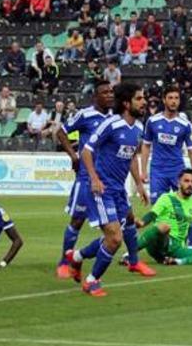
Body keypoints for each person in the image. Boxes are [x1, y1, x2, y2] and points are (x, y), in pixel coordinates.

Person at [64, 83, 149, 297]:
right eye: (139, 98)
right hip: (101, 189)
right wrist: (93, 178)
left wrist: (139, 184)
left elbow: (130, 157)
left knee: (112, 237)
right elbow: (86, 151)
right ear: (127, 103)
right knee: (114, 238)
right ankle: (92, 281)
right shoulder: (110, 124)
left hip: (119, 191)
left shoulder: (138, 129)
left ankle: (75, 258)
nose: (144, 102)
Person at [139, 86, 192, 249]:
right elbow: (146, 146)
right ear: (164, 100)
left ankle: (191, 246)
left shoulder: (185, 124)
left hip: (178, 171)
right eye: (170, 97)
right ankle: (158, 245)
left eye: (176, 98)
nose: (173, 101)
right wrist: (143, 170)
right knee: (158, 210)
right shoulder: (152, 122)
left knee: (189, 206)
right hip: (158, 171)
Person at [130, 169, 192, 266]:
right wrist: (142, 222)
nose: (190, 184)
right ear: (178, 183)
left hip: (176, 248)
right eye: (186, 181)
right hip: (160, 242)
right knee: (164, 226)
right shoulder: (166, 198)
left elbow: (187, 227)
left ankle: (177, 261)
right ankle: (130, 254)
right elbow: (152, 214)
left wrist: (187, 246)